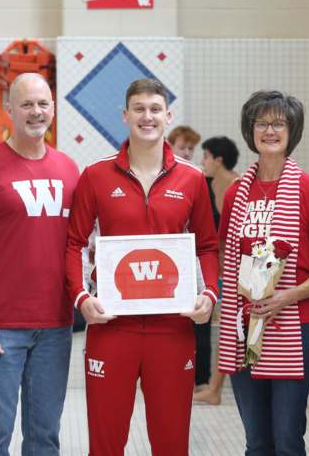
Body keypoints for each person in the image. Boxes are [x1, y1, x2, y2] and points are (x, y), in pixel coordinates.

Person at [66, 78, 219, 456]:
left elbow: (209, 246)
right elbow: (72, 244)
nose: (147, 117)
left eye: (155, 109)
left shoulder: (193, 179)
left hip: (172, 328)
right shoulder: (96, 176)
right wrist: (82, 297)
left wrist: (209, 293)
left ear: (167, 116)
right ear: (125, 115)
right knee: (105, 443)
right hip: (112, 326)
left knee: (170, 443)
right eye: (139, 108)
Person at [0, 73, 79, 456]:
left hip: (55, 326)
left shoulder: (70, 169)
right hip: (0, 328)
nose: (35, 112)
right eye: (26, 104)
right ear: (9, 110)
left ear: (53, 109)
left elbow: (82, 244)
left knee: (45, 439)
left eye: (43, 104)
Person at [218, 90, 309, 454]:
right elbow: (227, 257)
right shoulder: (235, 193)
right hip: (244, 328)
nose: (269, 130)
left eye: (279, 123)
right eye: (261, 123)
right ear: (250, 130)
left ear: (292, 130)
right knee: (256, 441)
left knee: (287, 439)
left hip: (294, 325)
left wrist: (287, 295)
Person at [192, 136, 240, 404]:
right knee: (225, 329)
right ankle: (214, 388)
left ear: (218, 160)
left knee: (231, 328)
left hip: (239, 270)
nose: (203, 162)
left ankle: (215, 389)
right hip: (217, 270)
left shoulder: (240, 185)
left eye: (206, 156)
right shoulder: (207, 185)